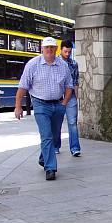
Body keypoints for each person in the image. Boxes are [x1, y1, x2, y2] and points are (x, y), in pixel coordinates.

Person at [14, 37, 73, 181]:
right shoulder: (33, 65)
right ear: (42, 49)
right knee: (46, 135)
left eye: (52, 47)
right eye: (47, 47)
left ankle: (44, 158)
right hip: (40, 104)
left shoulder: (62, 65)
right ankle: (51, 168)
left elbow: (69, 85)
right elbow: (23, 86)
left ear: (56, 49)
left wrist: (64, 103)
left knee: (54, 136)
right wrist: (18, 106)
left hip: (58, 104)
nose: (49, 50)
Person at [56, 39, 82, 157]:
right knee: (57, 123)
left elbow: (76, 81)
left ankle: (75, 148)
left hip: (70, 95)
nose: (67, 54)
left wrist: (76, 97)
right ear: (61, 49)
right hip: (57, 96)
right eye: (65, 51)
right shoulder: (55, 62)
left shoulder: (74, 64)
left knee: (72, 122)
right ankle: (55, 146)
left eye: (69, 52)